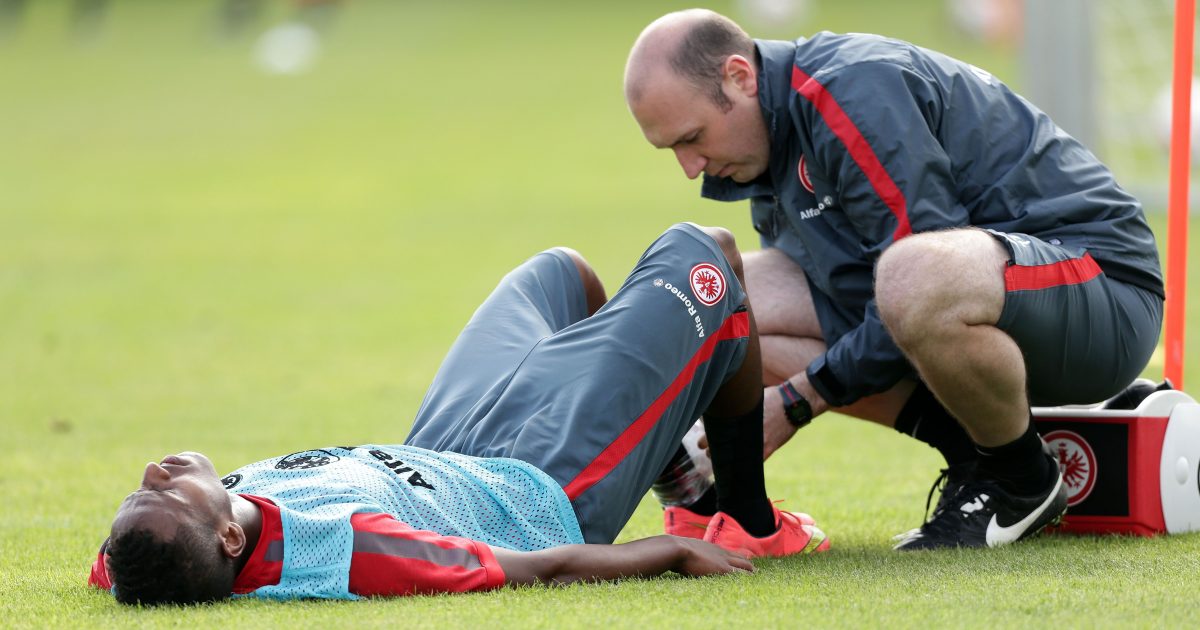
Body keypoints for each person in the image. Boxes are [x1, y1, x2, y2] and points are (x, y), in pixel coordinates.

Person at [623, 10, 1164, 550]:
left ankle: (1021, 480)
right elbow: (873, 305)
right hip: (988, 296)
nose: (689, 168)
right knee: (722, 295)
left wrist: (794, 401)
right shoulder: (765, 140)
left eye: (692, 138)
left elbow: (917, 278)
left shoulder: (854, 90)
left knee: (911, 272)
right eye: (672, 149)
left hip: (1103, 284)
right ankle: (973, 459)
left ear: (740, 78)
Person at [87, 223, 830, 605]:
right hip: (538, 483)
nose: (155, 472)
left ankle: (667, 458)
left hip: (439, 448)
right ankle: (746, 519)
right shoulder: (345, 551)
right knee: (709, 257)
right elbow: (531, 569)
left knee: (560, 275)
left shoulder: (161, 549)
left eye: (140, 489)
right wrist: (665, 555)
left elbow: (129, 566)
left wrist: (141, 543)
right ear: (224, 536)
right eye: (165, 491)